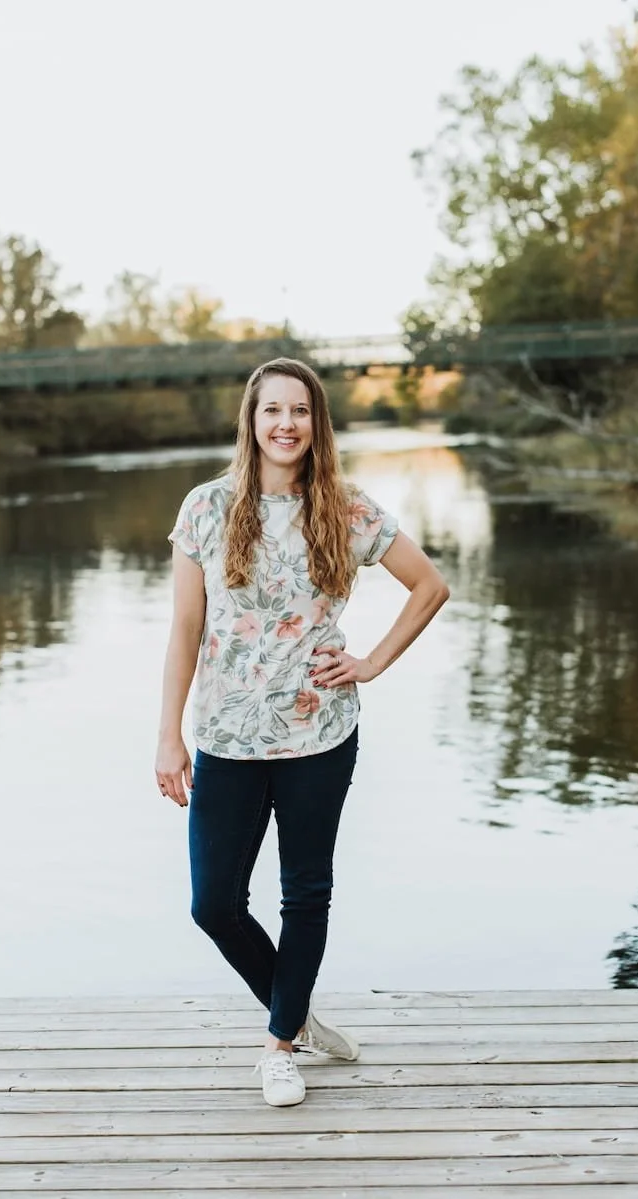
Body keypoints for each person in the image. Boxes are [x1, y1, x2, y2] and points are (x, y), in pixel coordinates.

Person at [156, 358, 449, 1107]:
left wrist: (372, 662)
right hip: (226, 737)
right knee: (213, 904)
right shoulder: (206, 508)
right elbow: (186, 628)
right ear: (251, 421)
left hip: (319, 733)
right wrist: (169, 735)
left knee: (304, 895)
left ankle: (279, 1044)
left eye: (300, 411)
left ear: (317, 423)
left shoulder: (345, 508)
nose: (285, 423)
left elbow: (430, 585)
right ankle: (297, 1008)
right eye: (271, 410)